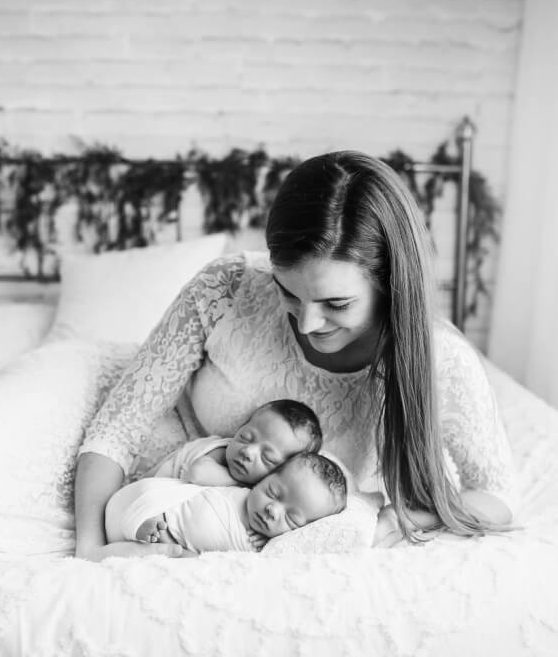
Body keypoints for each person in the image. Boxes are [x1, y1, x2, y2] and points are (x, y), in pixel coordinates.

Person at [75, 150, 515, 561]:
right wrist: (91, 552)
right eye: (286, 292)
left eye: (336, 304)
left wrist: (395, 520)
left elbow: (496, 497)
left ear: (390, 286)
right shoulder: (226, 288)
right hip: (160, 510)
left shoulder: (441, 358)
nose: (306, 324)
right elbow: (117, 430)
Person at [105, 452, 348, 553]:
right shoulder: (236, 490)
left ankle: (154, 538)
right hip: (160, 509)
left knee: (182, 559)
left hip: (174, 548)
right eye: (272, 492)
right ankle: (147, 526)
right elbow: (193, 481)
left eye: (291, 518)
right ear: (263, 478)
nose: (273, 510)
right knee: (158, 500)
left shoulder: (268, 547)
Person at [147, 398, 323, 486]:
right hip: (152, 489)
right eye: (245, 437)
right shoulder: (220, 452)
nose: (248, 451)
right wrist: (245, 486)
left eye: (267, 457)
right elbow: (197, 474)